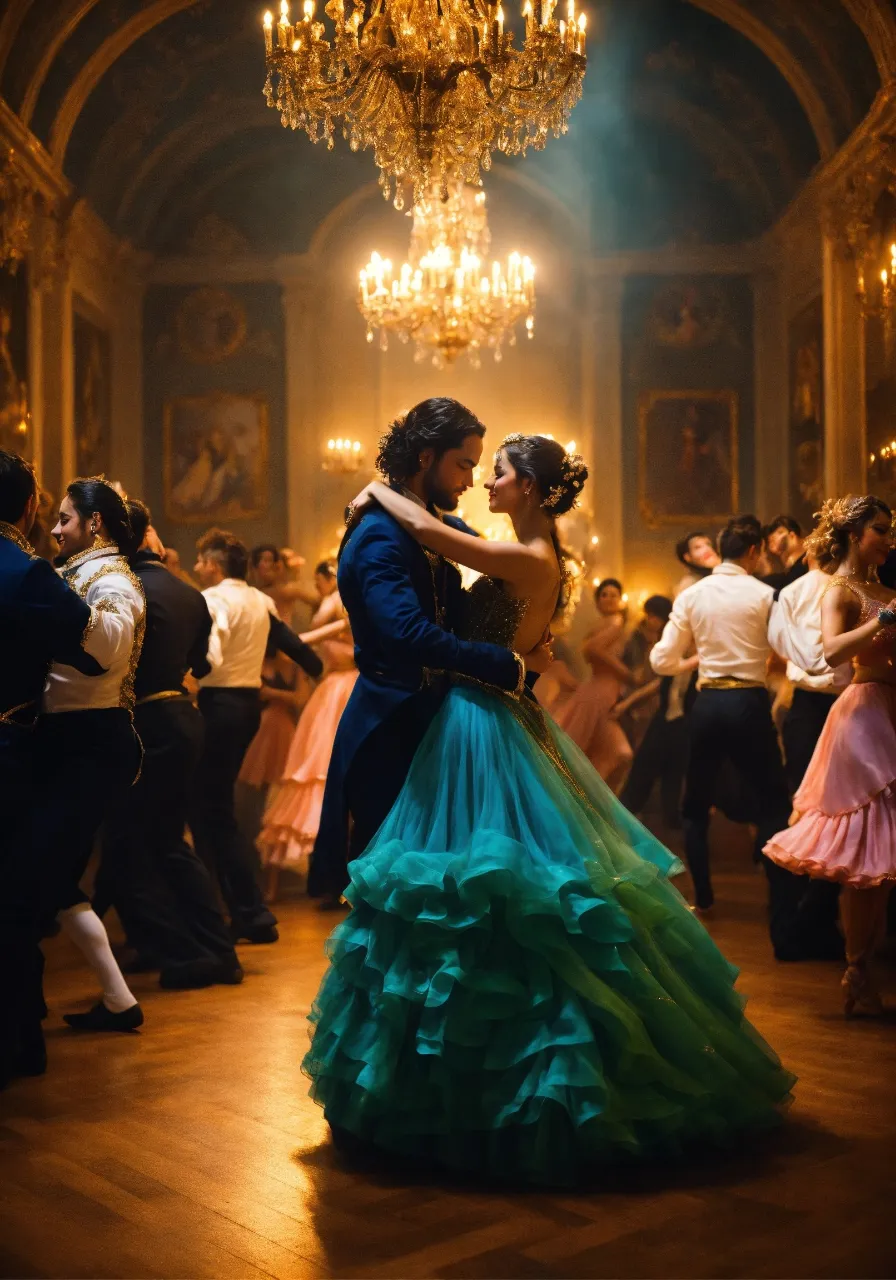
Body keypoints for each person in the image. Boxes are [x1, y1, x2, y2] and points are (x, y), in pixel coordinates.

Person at [304, 433, 795, 1187]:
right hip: (481, 716)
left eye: (496, 472)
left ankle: (514, 1086)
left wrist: (375, 494)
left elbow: (436, 535)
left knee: (492, 890)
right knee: (482, 890)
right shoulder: (533, 553)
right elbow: (462, 556)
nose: (485, 483)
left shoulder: (532, 557)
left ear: (530, 487)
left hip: (479, 724)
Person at [307, 398, 538, 910]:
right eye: (463, 464)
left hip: (426, 719)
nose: (469, 480)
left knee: (433, 883)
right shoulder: (378, 535)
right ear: (426, 457)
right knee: (392, 887)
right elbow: (407, 633)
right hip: (389, 720)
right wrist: (499, 664)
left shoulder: (423, 523)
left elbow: (486, 555)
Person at [649, 515, 818, 960]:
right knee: (773, 805)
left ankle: (703, 897)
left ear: (721, 551)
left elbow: (661, 660)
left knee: (694, 804)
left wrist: (694, 660)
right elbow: (796, 651)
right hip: (748, 703)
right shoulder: (764, 594)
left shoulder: (693, 595)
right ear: (754, 552)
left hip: (707, 705)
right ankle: (781, 919)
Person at [96, 501, 244, 990]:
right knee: (167, 843)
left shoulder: (124, 589)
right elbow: (202, 667)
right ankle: (211, 950)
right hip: (182, 718)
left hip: (149, 724)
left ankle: (181, 950)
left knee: (125, 847)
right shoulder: (189, 593)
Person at [765, 496, 896, 1015]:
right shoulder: (839, 590)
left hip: (891, 711)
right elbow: (833, 651)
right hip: (864, 717)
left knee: (883, 863)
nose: (889, 539)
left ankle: (863, 968)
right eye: (881, 531)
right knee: (869, 853)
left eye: (890, 531)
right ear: (854, 534)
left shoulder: (885, 590)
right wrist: (882, 620)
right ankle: (856, 969)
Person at [33, 478, 146, 1031]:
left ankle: (117, 999)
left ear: (93, 523)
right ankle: (118, 1000)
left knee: (46, 872)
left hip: (93, 740)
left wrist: (48, 602)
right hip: (70, 739)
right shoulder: (76, 573)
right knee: (51, 873)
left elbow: (106, 648)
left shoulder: (110, 578)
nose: (54, 531)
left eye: (64, 519)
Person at [0, 453, 96, 1085]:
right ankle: (13, 1043)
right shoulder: (26, 572)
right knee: (11, 900)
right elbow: (82, 631)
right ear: (30, 508)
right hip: (9, 750)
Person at [190, 528, 326, 944]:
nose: (196, 568)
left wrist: (191, 668)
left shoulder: (214, 600)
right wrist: (317, 668)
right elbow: (298, 649)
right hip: (249, 710)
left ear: (213, 566)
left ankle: (241, 911)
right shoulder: (260, 600)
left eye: (200, 562)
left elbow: (209, 653)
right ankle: (237, 909)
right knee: (213, 810)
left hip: (219, 708)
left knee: (211, 811)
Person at [257, 560, 356, 901]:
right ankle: (332, 874)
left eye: (319, 583)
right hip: (332, 686)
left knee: (330, 772)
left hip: (343, 686)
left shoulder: (341, 599)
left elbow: (339, 629)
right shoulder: (335, 600)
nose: (317, 590)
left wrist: (298, 640)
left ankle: (343, 875)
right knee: (320, 771)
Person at [554, 578, 633, 791]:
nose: (608, 598)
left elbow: (590, 650)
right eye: (604, 595)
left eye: (613, 595)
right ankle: (593, 802)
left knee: (601, 752)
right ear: (598, 601)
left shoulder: (602, 625)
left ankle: (592, 802)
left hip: (597, 689)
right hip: (602, 690)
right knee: (616, 753)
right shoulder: (616, 622)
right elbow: (594, 649)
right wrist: (628, 675)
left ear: (620, 600)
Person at [763, 515, 808, 591]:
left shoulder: (807, 564)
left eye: (780, 532)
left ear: (792, 536)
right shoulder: (785, 572)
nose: (773, 537)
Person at [673, 529, 720, 598]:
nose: (707, 549)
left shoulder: (721, 572)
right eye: (697, 547)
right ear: (688, 557)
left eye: (708, 544)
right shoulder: (689, 585)